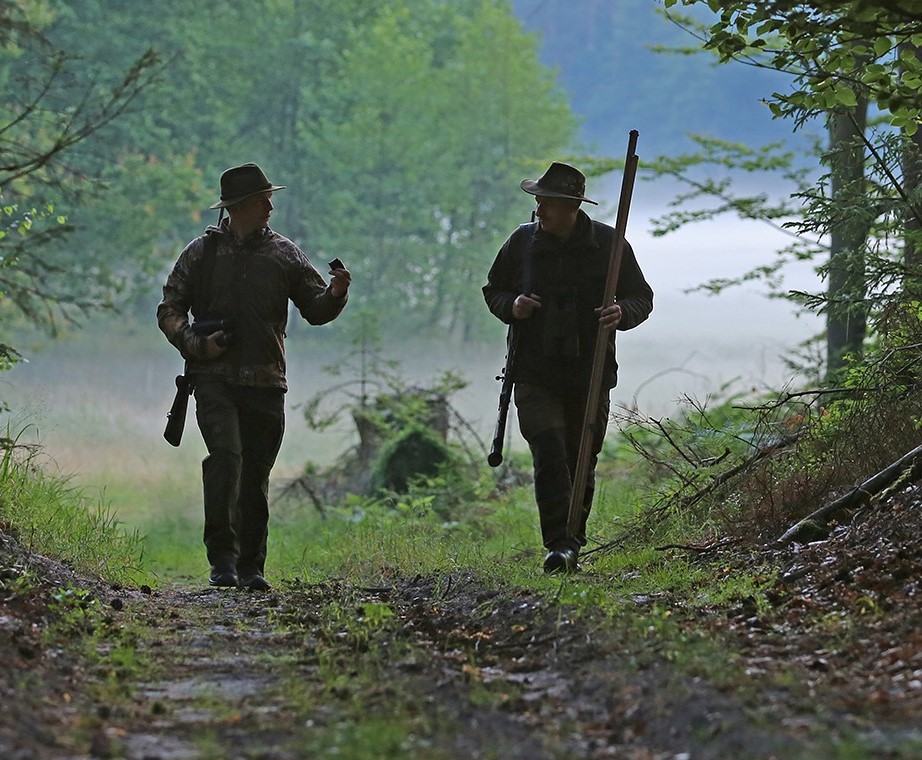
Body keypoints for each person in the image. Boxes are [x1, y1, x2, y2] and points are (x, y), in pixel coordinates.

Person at [157, 162, 351, 590]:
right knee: (226, 460)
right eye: (263, 199)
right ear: (238, 207)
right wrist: (197, 345)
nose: (270, 205)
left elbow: (315, 308)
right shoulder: (200, 253)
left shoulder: (284, 253)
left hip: (266, 382)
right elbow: (169, 310)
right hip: (213, 378)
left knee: (256, 474)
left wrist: (336, 293)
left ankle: (251, 567)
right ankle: (222, 560)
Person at [483, 161, 653, 574]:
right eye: (539, 200)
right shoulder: (521, 243)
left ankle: (572, 542)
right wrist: (513, 307)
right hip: (533, 372)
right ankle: (558, 545)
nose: (538, 208)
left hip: (589, 374)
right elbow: (494, 290)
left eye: (546, 201)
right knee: (549, 452)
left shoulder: (611, 245)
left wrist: (620, 312)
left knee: (581, 457)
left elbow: (641, 298)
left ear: (570, 207)